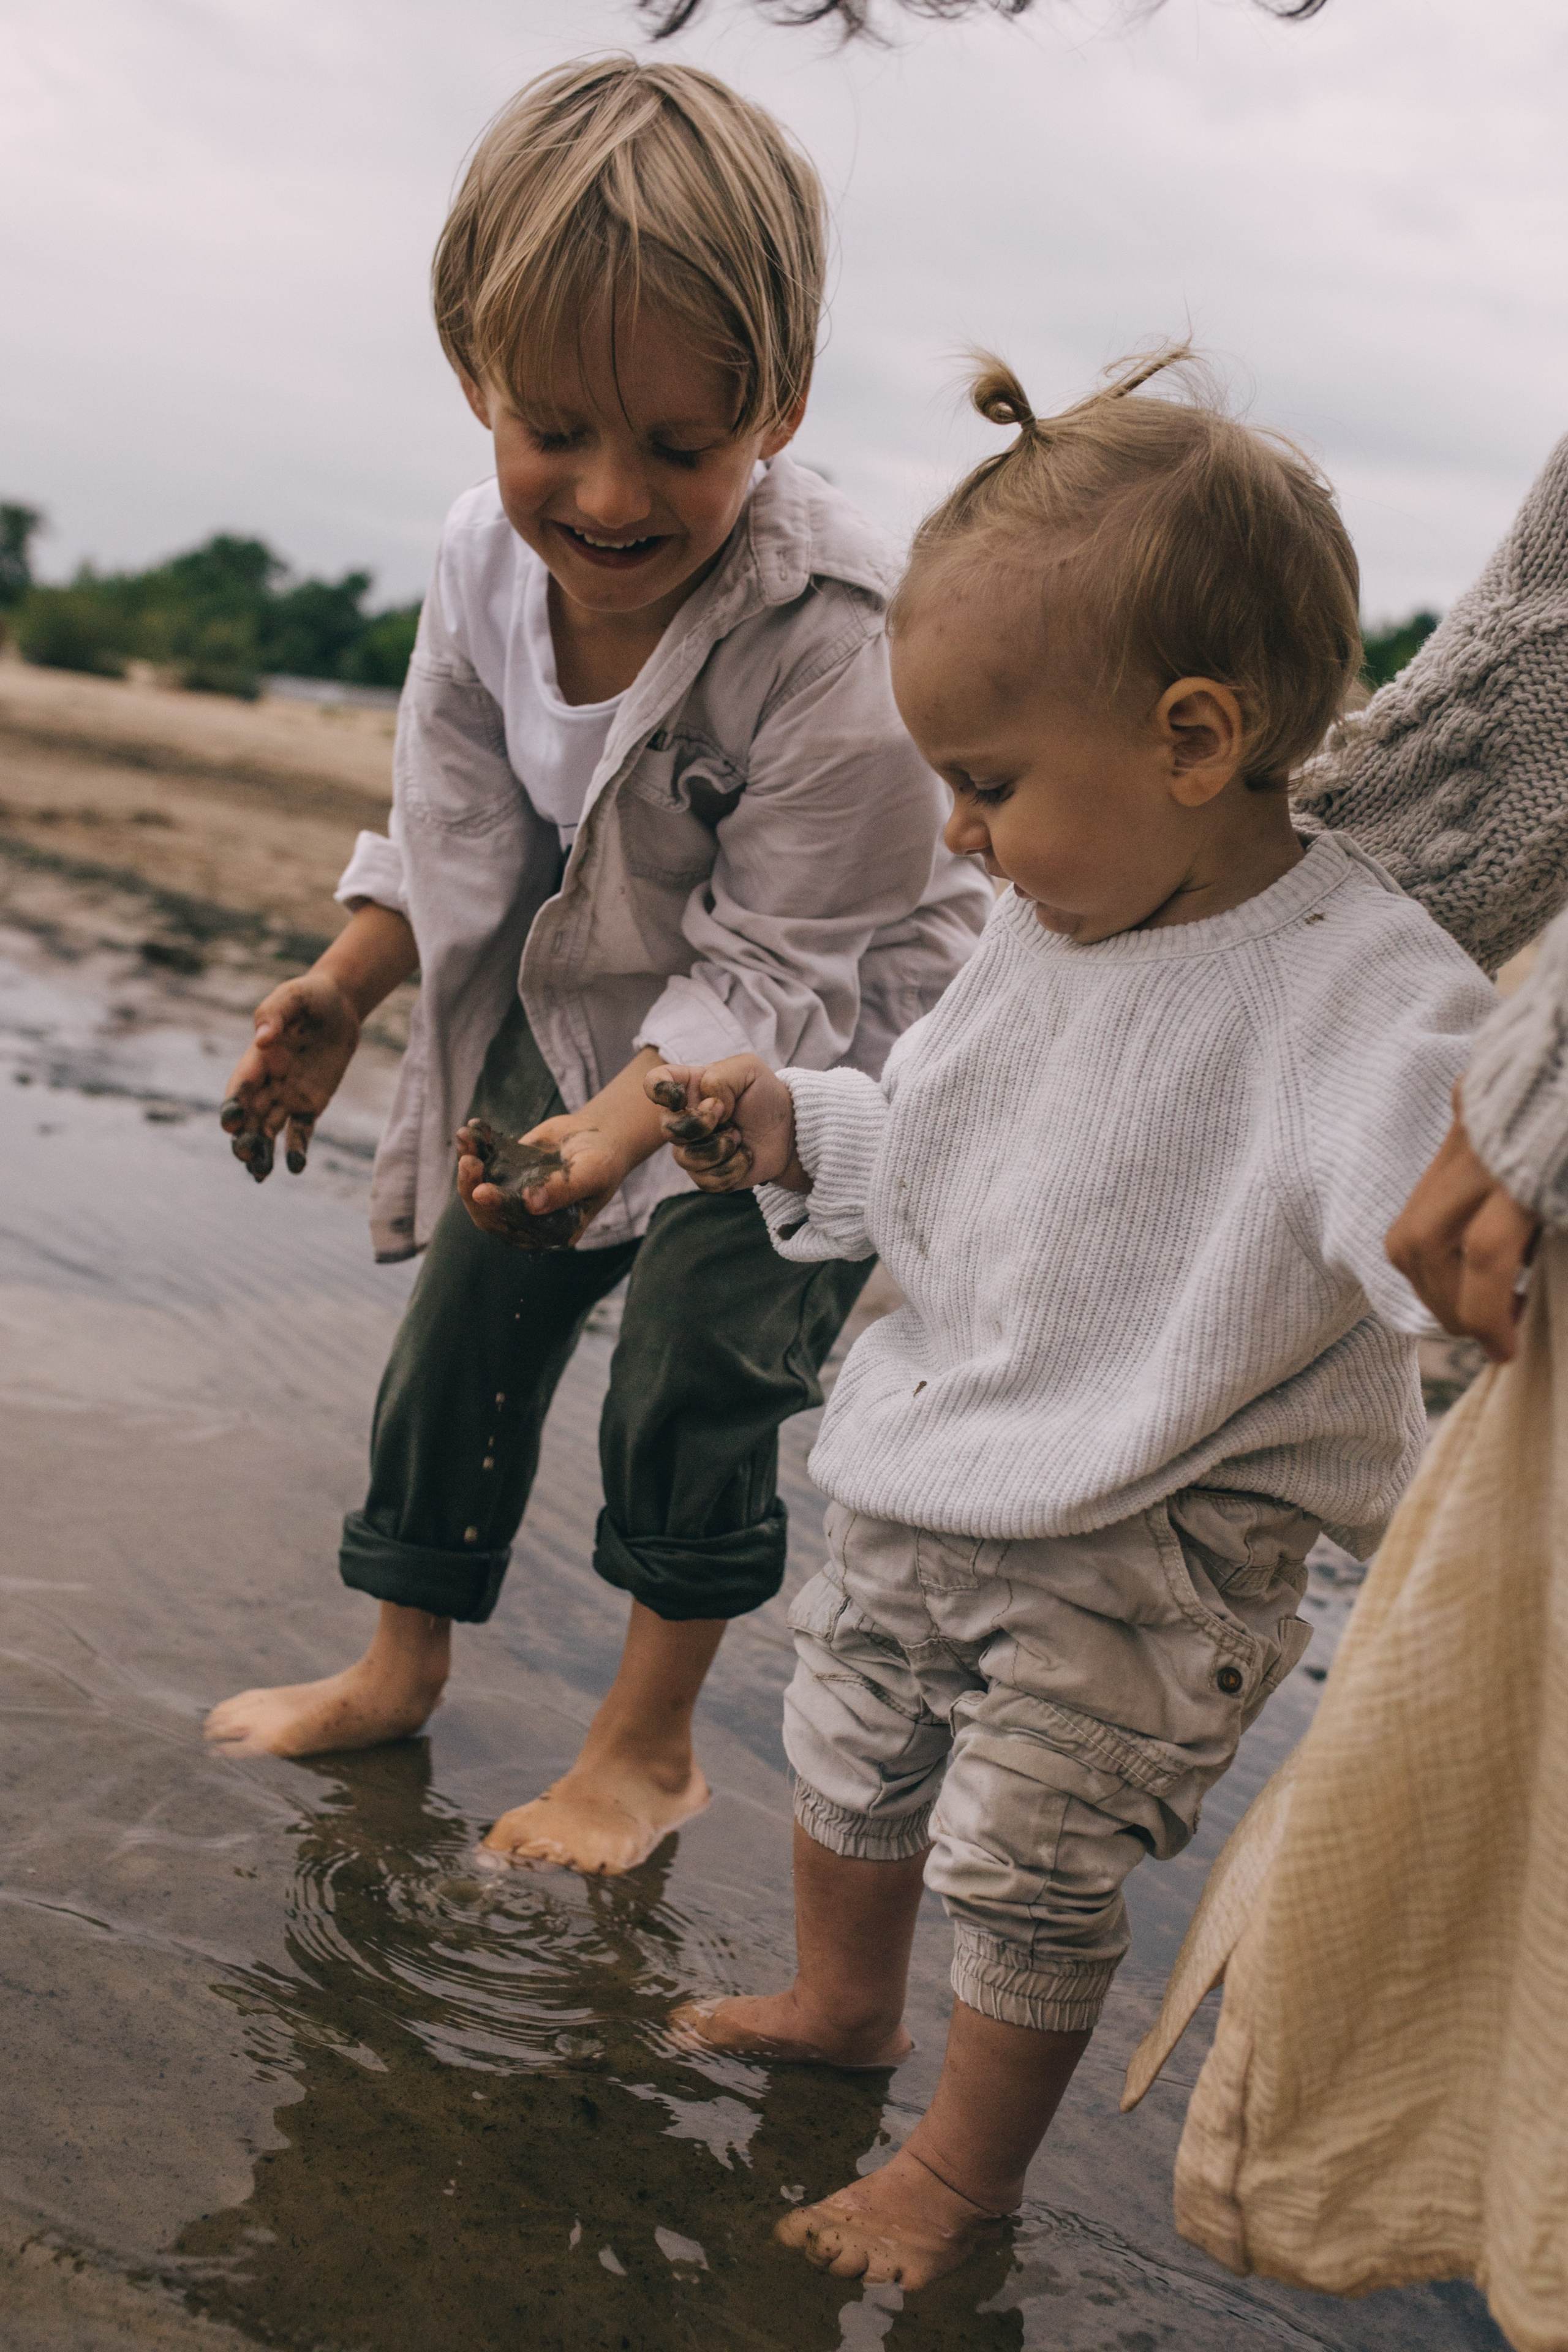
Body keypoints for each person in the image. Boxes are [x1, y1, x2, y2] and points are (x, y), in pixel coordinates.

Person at [647, 348, 1500, 2287]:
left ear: (1197, 738)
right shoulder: (1050, 926)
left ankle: (961, 2176)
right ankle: (843, 2007)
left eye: (990, 784)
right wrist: (796, 1126)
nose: (961, 838)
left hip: (1154, 1528)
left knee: (1032, 1855)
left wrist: (1479, 1293)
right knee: (848, 1748)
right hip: (937, 1458)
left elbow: (1430, 1230)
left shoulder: (1364, 987)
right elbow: (944, 1137)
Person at [202, 56, 990, 1877]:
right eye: (556, 428)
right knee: (468, 1314)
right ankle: (399, 1662)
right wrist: (343, 987)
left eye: (683, 449)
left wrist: (633, 1132)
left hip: (826, 1048)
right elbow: (461, 835)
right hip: (597, 984)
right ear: (479, 376)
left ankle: (646, 1752)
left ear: (776, 407)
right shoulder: (478, 566)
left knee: (697, 1363)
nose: (612, 496)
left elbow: (787, 960)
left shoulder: (840, 635)